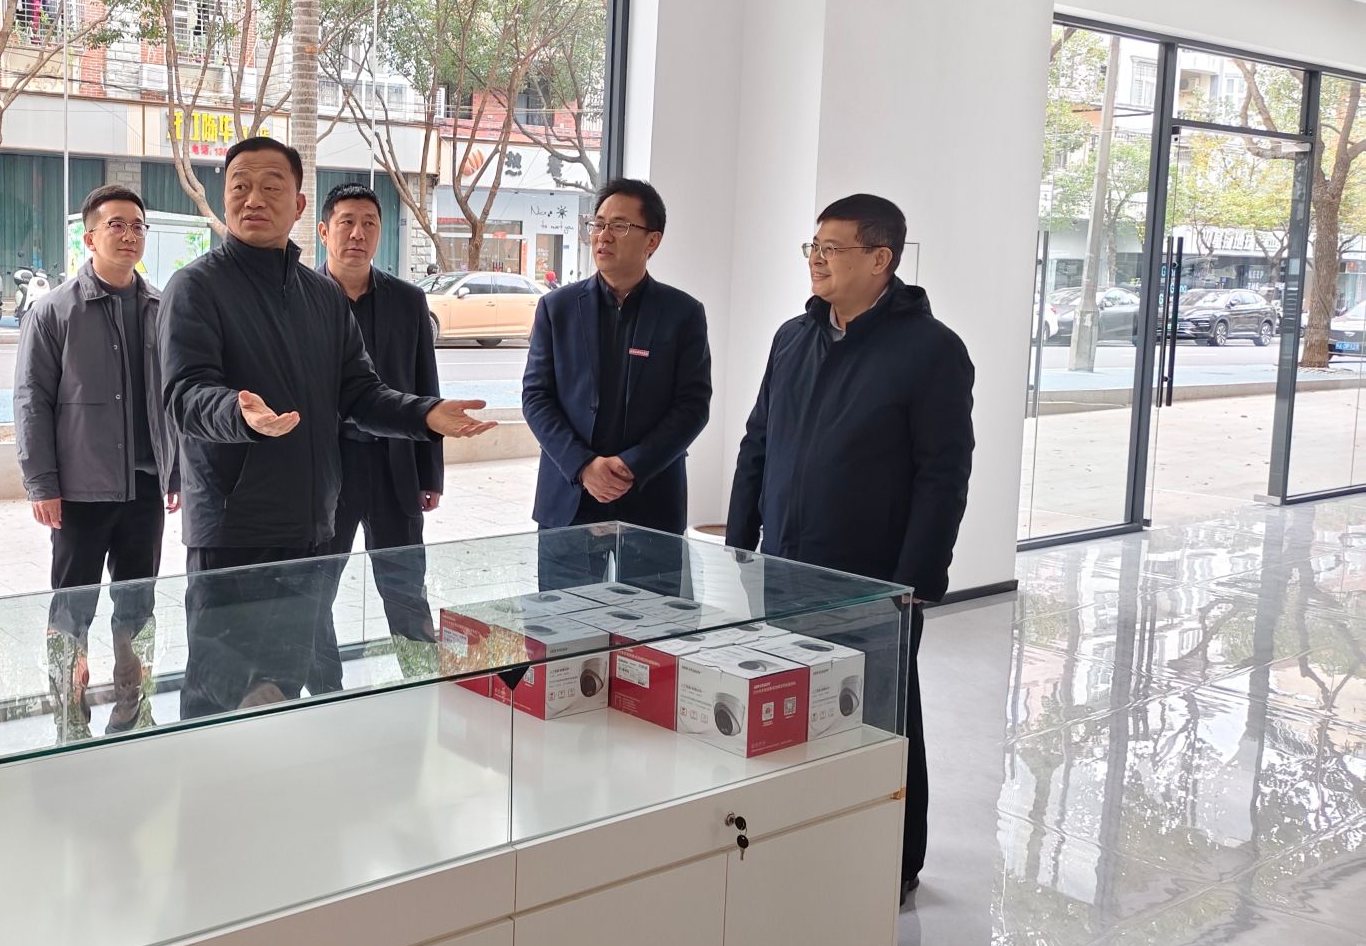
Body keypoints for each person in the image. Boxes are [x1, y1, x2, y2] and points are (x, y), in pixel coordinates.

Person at [159, 136, 491, 716]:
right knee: (220, 698)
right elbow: (184, 394)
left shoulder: (322, 297)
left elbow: (359, 392)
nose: (253, 199)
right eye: (240, 186)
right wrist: (238, 412)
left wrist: (423, 414)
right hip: (234, 529)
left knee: (283, 691)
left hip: (311, 525)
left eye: (271, 187)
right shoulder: (196, 287)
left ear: (297, 204)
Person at [725, 194, 974, 907]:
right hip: (783, 566)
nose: (817, 259)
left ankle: (895, 863)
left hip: (873, 583)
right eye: (813, 246)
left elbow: (943, 475)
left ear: (880, 259)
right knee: (792, 714)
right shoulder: (792, 338)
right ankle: (807, 845)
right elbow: (758, 441)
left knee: (883, 723)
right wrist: (739, 544)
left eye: (832, 248)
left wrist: (913, 583)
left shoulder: (931, 351)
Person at [15, 184, 180, 738]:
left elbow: (172, 398)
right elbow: (31, 400)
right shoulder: (55, 311)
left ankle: (133, 711)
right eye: (116, 225)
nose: (129, 235)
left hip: (144, 487)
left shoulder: (160, 308)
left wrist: (175, 470)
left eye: (137, 226)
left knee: (138, 605)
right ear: (89, 238)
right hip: (80, 490)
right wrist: (41, 482)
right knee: (72, 609)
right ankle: (69, 717)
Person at [522, 178, 712, 588]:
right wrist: (583, 466)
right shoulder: (557, 308)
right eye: (598, 223)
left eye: (620, 225)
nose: (603, 235)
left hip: (650, 499)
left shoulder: (682, 313)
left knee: (651, 624)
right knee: (564, 624)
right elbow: (536, 397)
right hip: (569, 500)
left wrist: (632, 465)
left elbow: (693, 406)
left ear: (652, 241)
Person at [309, 183, 441, 688]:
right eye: (346, 222)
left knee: (405, 586)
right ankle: (326, 694)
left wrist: (431, 473)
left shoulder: (408, 301)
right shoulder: (300, 297)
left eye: (369, 223)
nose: (357, 234)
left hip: (394, 467)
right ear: (324, 231)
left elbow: (425, 386)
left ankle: (422, 683)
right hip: (328, 470)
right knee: (316, 591)